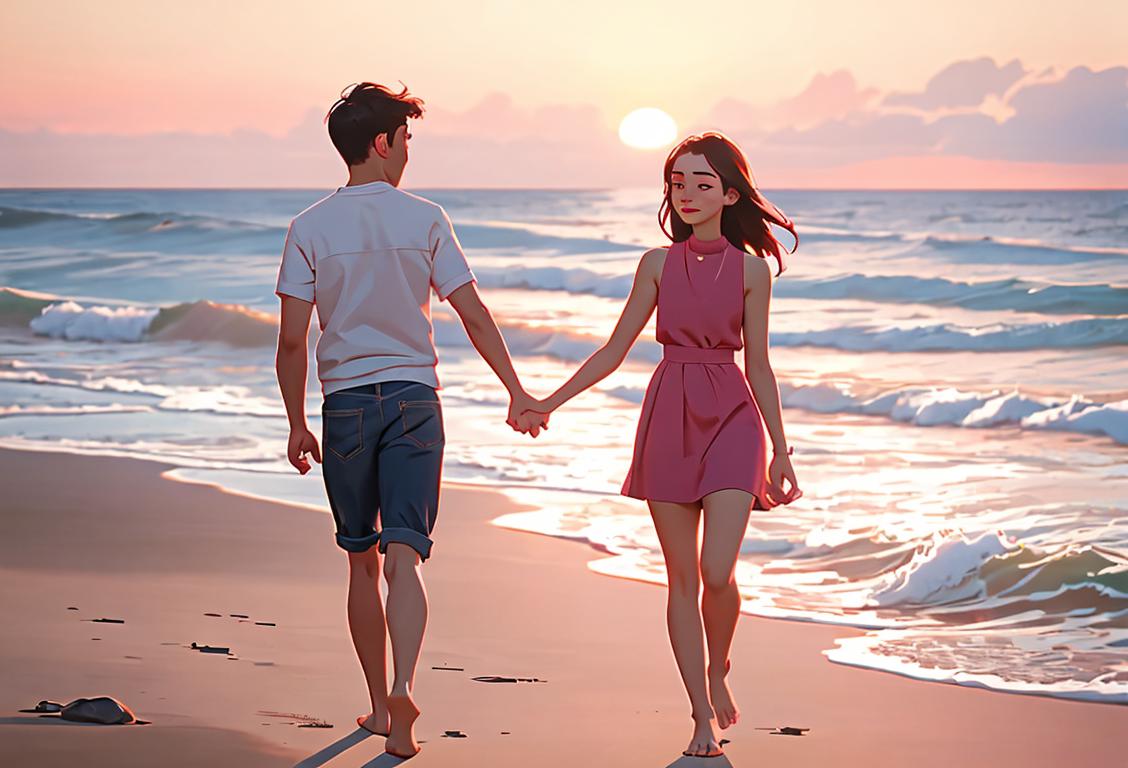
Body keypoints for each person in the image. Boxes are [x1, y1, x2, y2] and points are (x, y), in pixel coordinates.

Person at [274, 81, 547, 759]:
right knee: (405, 552)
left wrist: (297, 423)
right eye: (405, 140)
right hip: (415, 400)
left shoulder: (308, 227)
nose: (407, 153)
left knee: (360, 561)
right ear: (382, 142)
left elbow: (291, 342)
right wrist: (517, 391)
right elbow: (472, 312)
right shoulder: (425, 217)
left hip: (346, 407)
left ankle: (376, 705)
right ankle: (404, 692)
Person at [515, 132, 803, 758]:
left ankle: (719, 665)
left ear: (730, 194)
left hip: (733, 416)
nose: (688, 193)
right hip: (669, 413)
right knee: (681, 579)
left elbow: (759, 365)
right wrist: (547, 402)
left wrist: (782, 450)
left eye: (703, 183)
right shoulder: (655, 264)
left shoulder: (753, 271)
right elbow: (613, 351)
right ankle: (700, 714)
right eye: (678, 183)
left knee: (717, 571)